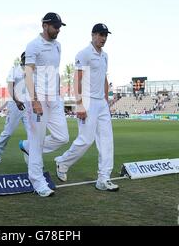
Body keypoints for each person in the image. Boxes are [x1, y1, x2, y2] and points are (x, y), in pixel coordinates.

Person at [55, 23, 119, 192]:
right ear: (92, 35)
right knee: (86, 140)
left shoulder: (105, 56)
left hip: (101, 104)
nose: (103, 38)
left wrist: (106, 101)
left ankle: (103, 179)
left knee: (107, 141)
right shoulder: (84, 54)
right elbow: (77, 79)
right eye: (100, 34)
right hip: (88, 101)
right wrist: (79, 104)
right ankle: (63, 162)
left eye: (105, 35)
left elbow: (104, 78)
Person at [21, 12, 70, 197]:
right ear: (44, 25)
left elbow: (55, 73)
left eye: (59, 27)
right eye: (55, 26)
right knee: (37, 140)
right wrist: (34, 101)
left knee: (62, 137)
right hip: (38, 98)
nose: (58, 30)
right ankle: (37, 182)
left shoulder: (58, 46)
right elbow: (28, 73)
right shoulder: (33, 45)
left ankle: (27, 146)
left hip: (54, 98)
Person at [0, 52, 30, 165]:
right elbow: (10, 87)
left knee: (33, 134)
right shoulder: (14, 70)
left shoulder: (33, 71)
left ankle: (30, 156)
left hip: (28, 106)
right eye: (25, 59)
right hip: (15, 105)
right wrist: (17, 100)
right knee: (8, 132)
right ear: (22, 59)